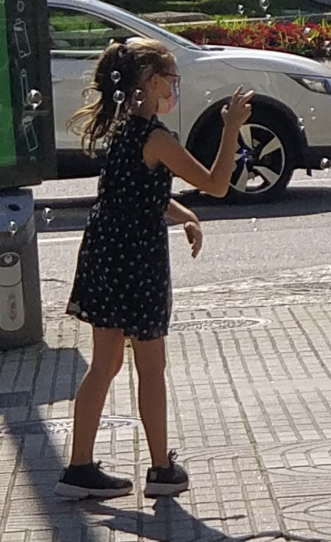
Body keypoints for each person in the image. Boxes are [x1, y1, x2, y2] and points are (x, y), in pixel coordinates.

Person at [56, 36, 251, 501]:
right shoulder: (157, 138)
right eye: (173, 80)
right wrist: (230, 130)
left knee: (104, 363)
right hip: (136, 259)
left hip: (105, 251)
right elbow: (217, 184)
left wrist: (182, 214)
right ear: (154, 82)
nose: (175, 88)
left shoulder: (125, 130)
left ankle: (79, 468)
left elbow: (137, 194)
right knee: (151, 364)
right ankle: (161, 469)